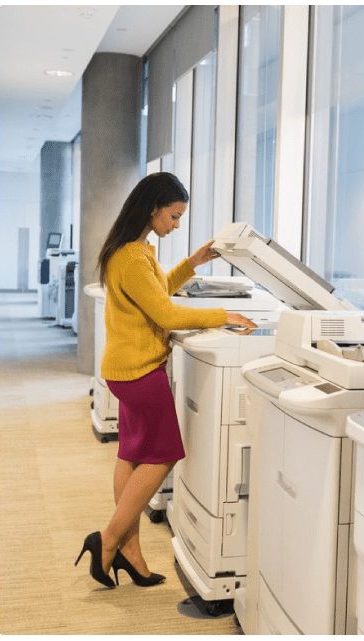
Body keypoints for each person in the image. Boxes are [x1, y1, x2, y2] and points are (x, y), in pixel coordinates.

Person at [75, 172, 256, 588]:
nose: (176, 224)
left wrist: (190, 265)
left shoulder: (133, 250)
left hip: (126, 370)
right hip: (140, 373)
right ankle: (106, 541)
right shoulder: (133, 257)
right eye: (173, 216)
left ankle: (131, 552)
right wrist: (224, 316)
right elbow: (167, 314)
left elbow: (157, 293)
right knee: (164, 454)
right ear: (153, 207)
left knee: (132, 455)